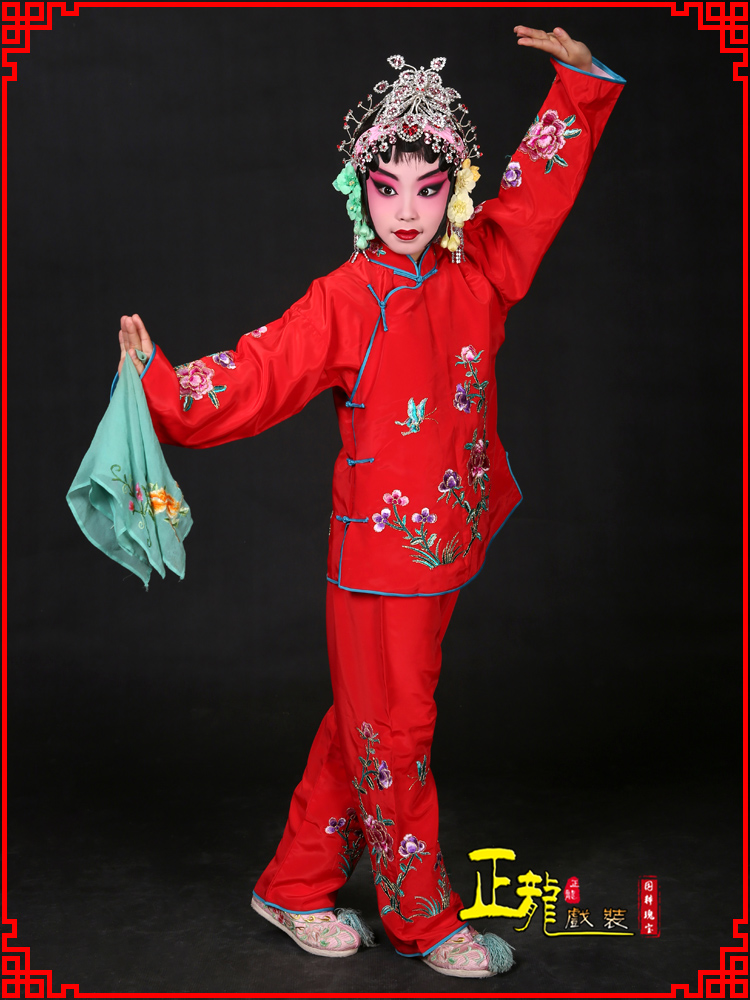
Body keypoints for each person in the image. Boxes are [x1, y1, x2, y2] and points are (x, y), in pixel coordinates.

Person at [117, 25, 625, 978]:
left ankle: (295, 883)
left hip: (445, 549)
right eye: (387, 188)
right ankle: (423, 920)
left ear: (454, 191)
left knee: (367, 723)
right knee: (396, 731)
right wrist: (162, 384)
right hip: (377, 566)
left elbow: (537, 193)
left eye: (428, 189)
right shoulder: (345, 299)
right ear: (361, 188)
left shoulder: (479, 269)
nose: (406, 210)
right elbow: (258, 373)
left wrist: (579, 85)